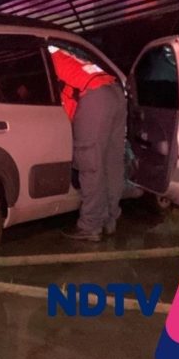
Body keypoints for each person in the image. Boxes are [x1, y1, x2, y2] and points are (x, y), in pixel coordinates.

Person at [51, 47, 126, 242]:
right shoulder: (67, 55)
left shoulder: (45, 59)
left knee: (90, 163)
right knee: (112, 162)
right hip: (115, 91)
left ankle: (91, 226)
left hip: (93, 96)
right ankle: (110, 220)